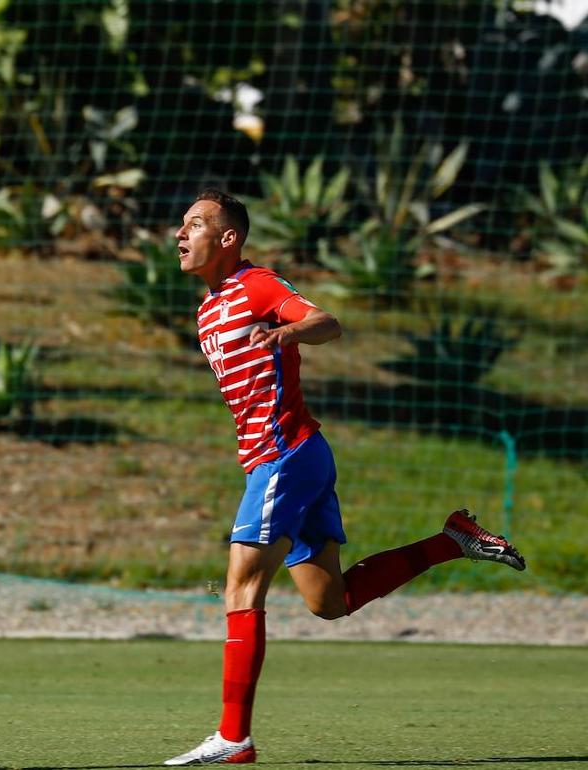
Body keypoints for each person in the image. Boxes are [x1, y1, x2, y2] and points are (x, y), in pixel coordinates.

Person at [162, 190, 526, 765]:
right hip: (289, 458)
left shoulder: (255, 285)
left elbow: (326, 322)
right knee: (330, 601)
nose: (181, 235)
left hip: (286, 455)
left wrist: (289, 333)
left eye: (195, 225)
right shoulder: (207, 309)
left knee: (241, 585)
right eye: (181, 226)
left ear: (228, 238)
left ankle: (234, 737)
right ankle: (452, 538)